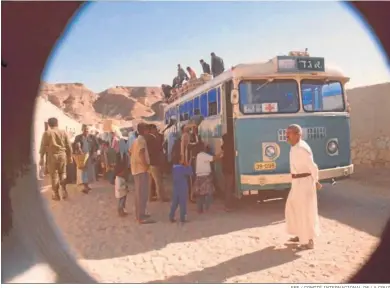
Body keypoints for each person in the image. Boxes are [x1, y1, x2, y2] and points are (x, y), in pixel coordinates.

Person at [285, 124, 321, 250]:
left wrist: (316, 181)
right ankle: (300, 234)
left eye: (289, 133)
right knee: (292, 207)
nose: (287, 136)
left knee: (305, 211)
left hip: (304, 183)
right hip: (296, 183)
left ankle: (308, 241)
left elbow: (313, 167)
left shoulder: (302, 149)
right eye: (287, 133)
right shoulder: (294, 147)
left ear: (297, 135)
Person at [39, 117, 73, 201]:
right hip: (62, 155)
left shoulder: (47, 133)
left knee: (54, 176)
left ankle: (56, 194)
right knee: (63, 173)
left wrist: (41, 158)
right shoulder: (63, 132)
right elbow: (68, 145)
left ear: (49, 125)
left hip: (52, 156)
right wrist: (70, 156)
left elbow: (42, 146)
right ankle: (64, 190)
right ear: (57, 123)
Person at [130, 123, 155, 224]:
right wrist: (145, 166)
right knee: (141, 193)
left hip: (137, 169)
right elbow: (141, 153)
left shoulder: (136, 140)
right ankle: (140, 217)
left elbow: (130, 152)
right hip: (141, 170)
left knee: (142, 193)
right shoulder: (141, 140)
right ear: (143, 130)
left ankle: (141, 213)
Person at [192, 144, 223, 213]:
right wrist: (221, 153)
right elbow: (213, 158)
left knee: (200, 194)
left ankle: (200, 209)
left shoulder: (198, 155)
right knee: (209, 192)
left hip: (199, 176)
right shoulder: (203, 155)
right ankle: (207, 207)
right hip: (205, 176)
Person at [145, 124, 168, 202]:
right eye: (155, 129)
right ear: (152, 129)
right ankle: (161, 197)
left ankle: (150, 197)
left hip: (151, 163)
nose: (156, 131)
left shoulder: (148, 138)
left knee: (151, 181)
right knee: (158, 180)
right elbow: (155, 150)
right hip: (154, 162)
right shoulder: (151, 138)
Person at [74, 124, 99, 193]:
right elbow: (74, 146)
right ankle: (85, 187)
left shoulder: (92, 137)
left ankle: (87, 186)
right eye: (85, 129)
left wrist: (95, 152)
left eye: (87, 129)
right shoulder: (78, 137)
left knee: (89, 172)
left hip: (90, 157)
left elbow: (97, 146)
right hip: (82, 157)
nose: (86, 130)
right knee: (83, 171)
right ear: (82, 130)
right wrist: (78, 148)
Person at [221, 133, 235, 211]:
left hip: (225, 170)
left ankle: (227, 205)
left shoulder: (224, 147)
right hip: (230, 170)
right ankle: (228, 206)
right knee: (229, 188)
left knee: (227, 187)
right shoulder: (231, 148)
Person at [114, 153, 129, 217]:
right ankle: (120, 211)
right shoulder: (118, 179)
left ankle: (122, 210)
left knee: (123, 203)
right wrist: (125, 187)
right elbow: (119, 187)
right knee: (121, 203)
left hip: (123, 193)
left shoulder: (121, 178)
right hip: (121, 193)